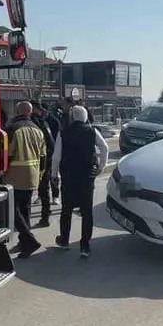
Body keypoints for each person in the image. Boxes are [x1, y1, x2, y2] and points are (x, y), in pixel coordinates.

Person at [51, 105, 109, 258]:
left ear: (72, 117)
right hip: (86, 176)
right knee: (87, 211)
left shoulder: (63, 133)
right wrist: (101, 167)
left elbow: (56, 157)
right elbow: (105, 148)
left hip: (69, 176)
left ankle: (64, 240)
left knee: (66, 210)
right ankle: (85, 246)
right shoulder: (92, 131)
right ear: (84, 117)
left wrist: (54, 175)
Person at [4, 102, 46, 258]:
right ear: (29, 112)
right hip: (33, 175)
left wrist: (2, 174)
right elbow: (43, 157)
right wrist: (40, 175)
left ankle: (29, 241)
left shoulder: (13, 129)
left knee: (13, 211)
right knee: (25, 210)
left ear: (17, 111)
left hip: (16, 175)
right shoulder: (38, 129)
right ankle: (24, 243)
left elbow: (7, 155)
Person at [30, 101, 55, 227]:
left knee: (27, 192)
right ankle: (45, 217)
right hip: (45, 161)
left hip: (30, 163)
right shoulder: (43, 123)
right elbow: (51, 144)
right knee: (44, 190)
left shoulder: (30, 124)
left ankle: (25, 221)